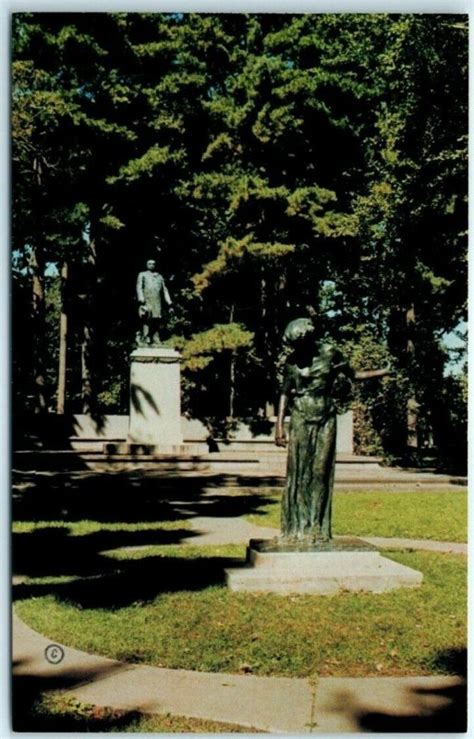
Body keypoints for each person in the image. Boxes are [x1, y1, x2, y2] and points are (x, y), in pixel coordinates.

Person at [275, 317, 388, 542]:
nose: (297, 350)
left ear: (309, 338)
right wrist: (279, 426)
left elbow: (354, 375)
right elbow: (285, 392)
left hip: (326, 416)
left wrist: (383, 371)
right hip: (300, 417)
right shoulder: (292, 361)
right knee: (299, 473)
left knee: (320, 472)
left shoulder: (330, 353)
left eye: (300, 345)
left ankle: (316, 526)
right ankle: (297, 527)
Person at [136, 259, 173, 346]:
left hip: (157, 301)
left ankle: (156, 337)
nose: (151, 265)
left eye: (153, 264)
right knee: (147, 318)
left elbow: (165, 290)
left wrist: (169, 301)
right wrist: (141, 298)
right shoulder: (142, 274)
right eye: (149, 264)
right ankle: (146, 337)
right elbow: (139, 287)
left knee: (157, 319)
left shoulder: (159, 276)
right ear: (146, 265)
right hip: (147, 300)